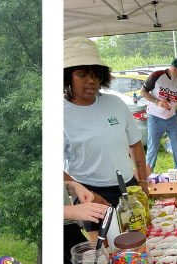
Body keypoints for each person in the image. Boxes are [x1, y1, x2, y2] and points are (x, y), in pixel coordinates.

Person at [63, 37, 149, 240]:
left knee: (136, 245)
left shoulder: (116, 104)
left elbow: (135, 143)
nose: (90, 81)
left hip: (128, 187)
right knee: (105, 252)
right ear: (67, 76)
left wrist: (142, 179)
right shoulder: (60, 113)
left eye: (96, 75)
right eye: (82, 74)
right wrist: (87, 194)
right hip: (89, 193)